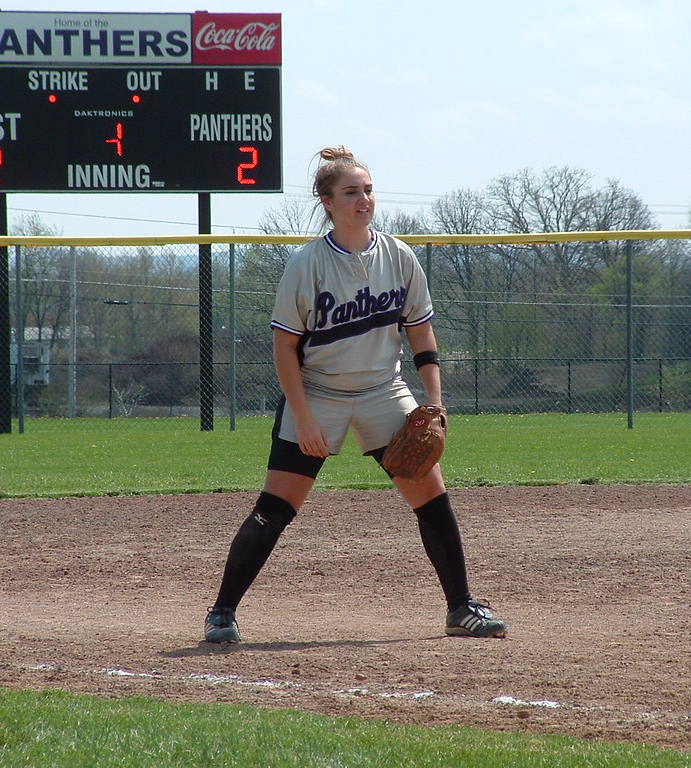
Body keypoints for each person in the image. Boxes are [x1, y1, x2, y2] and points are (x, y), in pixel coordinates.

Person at [204, 146, 506, 643]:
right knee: (277, 505)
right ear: (327, 201)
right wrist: (302, 417)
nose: (363, 199)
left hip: (383, 390)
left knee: (431, 496)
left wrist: (433, 401)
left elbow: (421, 335)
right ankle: (222, 612)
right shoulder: (307, 265)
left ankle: (460, 607)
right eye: (350, 192)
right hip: (318, 391)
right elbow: (284, 349)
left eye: (367, 190)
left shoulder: (398, 256)